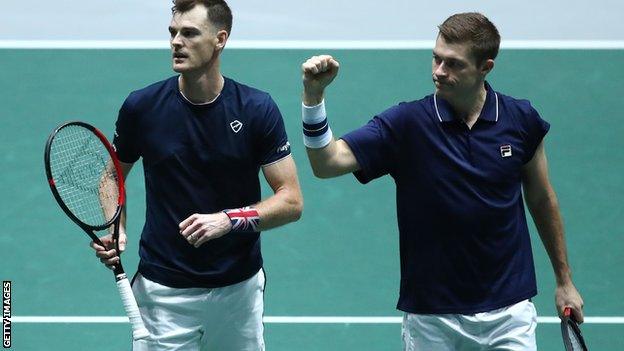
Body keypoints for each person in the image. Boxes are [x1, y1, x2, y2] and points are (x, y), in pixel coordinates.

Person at [300, 12, 583, 350]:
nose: (438, 71)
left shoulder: (521, 120)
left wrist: (564, 281)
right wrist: (313, 98)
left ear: (485, 67)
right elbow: (327, 163)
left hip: (508, 311)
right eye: (436, 58)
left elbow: (541, 199)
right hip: (433, 316)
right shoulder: (407, 124)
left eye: (453, 64)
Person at [90, 0, 303, 350]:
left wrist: (228, 220)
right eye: (173, 32)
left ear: (220, 39)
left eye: (189, 33)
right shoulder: (142, 107)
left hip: (238, 290)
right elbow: (111, 177)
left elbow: (291, 200)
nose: (176, 42)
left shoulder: (256, 109)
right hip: (164, 292)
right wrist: (117, 228)